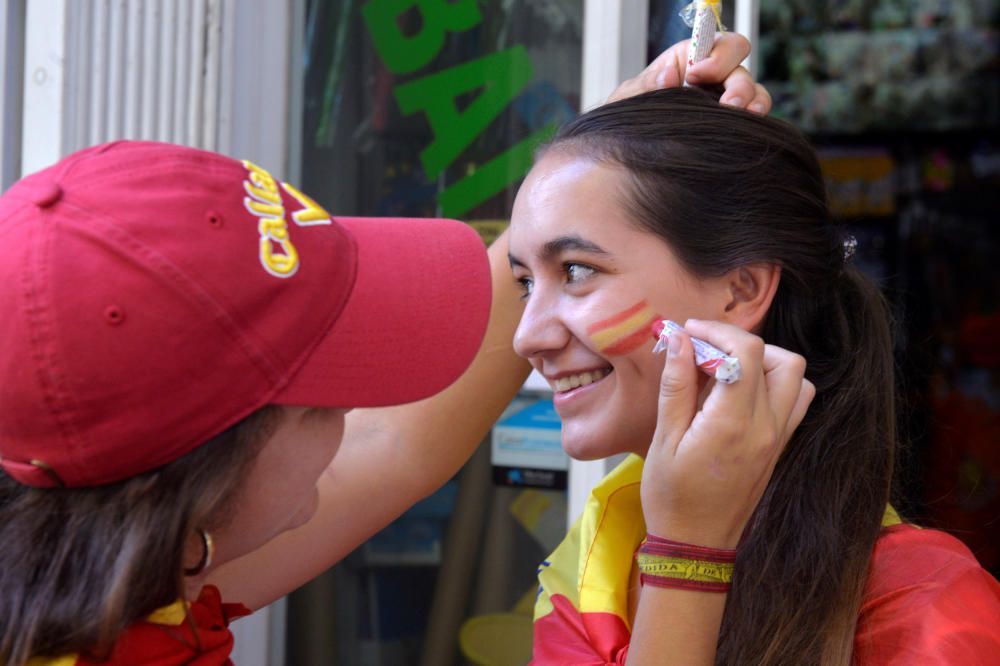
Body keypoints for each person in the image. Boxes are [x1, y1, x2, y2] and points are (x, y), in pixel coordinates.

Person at [0, 36, 764, 665]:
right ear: (210, 464)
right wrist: (688, 556)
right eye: (331, 392)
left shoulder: (105, 576)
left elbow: (395, 442)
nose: (532, 334)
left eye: (575, 275)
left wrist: (595, 165)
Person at [508, 87, 1000, 665]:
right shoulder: (594, 564)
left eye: (575, 270)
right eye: (523, 282)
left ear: (741, 290)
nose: (526, 336)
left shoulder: (924, 607)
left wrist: (686, 555)